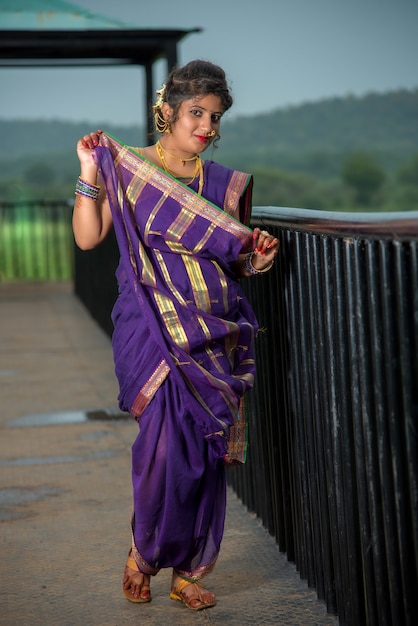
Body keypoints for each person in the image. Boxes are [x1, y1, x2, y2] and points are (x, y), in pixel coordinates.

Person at [73, 59, 279, 611]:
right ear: (167, 111)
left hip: (211, 333)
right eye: (196, 113)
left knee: (205, 452)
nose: (206, 127)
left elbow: (236, 260)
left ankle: (188, 571)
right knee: (163, 452)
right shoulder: (131, 168)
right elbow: (89, 238)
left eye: (214, 117)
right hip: (148, 329)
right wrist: (89, 172)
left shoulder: (225, 185)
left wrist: (258, 259)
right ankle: (145, 552)